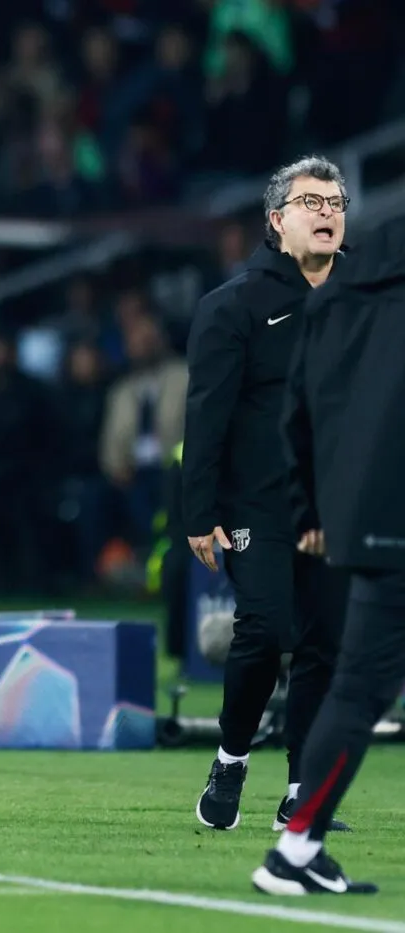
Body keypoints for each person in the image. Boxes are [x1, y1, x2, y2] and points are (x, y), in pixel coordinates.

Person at [181, 156, 350, 833]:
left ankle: (303, 791)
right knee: (268, 628)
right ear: (277, 220)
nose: (327, 212)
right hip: (259, 502)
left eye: (335, 203)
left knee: (326, 642)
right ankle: (231, 758)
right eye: (312, 202)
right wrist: (199, 512)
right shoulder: (234, 306)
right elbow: (206, 414)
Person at [247, 215, 405, 897]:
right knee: (359, 689)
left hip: (364, 519)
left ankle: (297, 848)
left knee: (356, 689)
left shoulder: (339, 292)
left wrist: (313, 512)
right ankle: (294, 849)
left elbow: (298, 413)